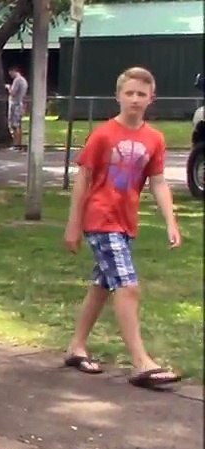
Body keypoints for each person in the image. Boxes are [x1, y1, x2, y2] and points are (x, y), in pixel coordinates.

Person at [62, 66, 182, 389]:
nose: (134, 99)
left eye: (141, 94)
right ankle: (141, 362)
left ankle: (76, 346)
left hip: (125, 222)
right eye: (129, 93)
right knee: (127, 287)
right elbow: (83, 179)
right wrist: (73, 226)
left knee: (102, 286)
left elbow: (157, 182)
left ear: (151, 99)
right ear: (118, 96)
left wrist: (171, 221)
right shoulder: (102, 134)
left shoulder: (154, 139)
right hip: (100, 220)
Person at [7, 66, 28, 148]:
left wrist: (8, 87)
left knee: (15, 125)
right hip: (20, 103)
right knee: (18, 124)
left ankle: (16, 144)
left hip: (15, 104)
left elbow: (12, 92)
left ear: (13, 71)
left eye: (10, 73)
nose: (10, 76)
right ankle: (18, 143)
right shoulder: (23, 80)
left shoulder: (17, 80)